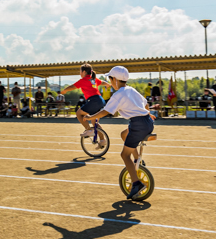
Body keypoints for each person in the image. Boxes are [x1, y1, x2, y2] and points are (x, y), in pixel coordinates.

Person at [83, 66, 154, 200]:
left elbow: (105, 111)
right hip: (147, 122)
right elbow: (145, 104)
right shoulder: (131, 90)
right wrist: (149, 114)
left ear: (115, 79)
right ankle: (138, 160)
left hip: (137, 125)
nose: (110, 83)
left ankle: (136, 183)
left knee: (124, 155)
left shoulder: (118, 94)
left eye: (110, 79)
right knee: (124, 134)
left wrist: (90, 117)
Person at [61, 64, 110, 137]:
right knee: (95, 123)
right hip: (100, 101)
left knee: (78, 113)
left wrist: (65, 90)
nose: (80, 73)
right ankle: (103, 140)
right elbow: (102, 82)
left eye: (80, 71)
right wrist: (107, 84)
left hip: (93, 101)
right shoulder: (93, 79)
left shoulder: (83, 80)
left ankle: (89, 130)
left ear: (84, 72)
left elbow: (72, 87)